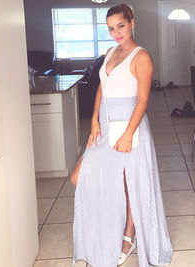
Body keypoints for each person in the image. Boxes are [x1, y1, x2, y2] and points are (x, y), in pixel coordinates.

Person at [71, 3, 173, 267]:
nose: (116, 33)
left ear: (132, 22)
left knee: (130, 185)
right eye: (111, 29)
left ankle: (129, 234)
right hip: (104, 126)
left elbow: (142, 100)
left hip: (130, 127)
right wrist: (93, 121)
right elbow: (101, 90)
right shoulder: (109, 52)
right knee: (79, 176)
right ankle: (107, 229)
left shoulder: (142, 57)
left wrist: (129, 133)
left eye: (121, 26)